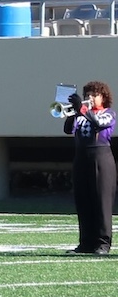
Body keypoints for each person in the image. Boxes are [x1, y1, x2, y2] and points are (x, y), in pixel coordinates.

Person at [63, 81, 115, 255]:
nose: (90, 98)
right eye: (87, 96)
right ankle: (85, 242)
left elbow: (98, 123)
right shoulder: (80, 115)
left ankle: (103, 243)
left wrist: (82, 110)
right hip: (81, 159)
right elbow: (67, 129)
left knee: (101, 202)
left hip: (101, 158)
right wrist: (72, 111)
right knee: (83, 201)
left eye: (94, 95)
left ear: (103, 98)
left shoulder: (109, 114)